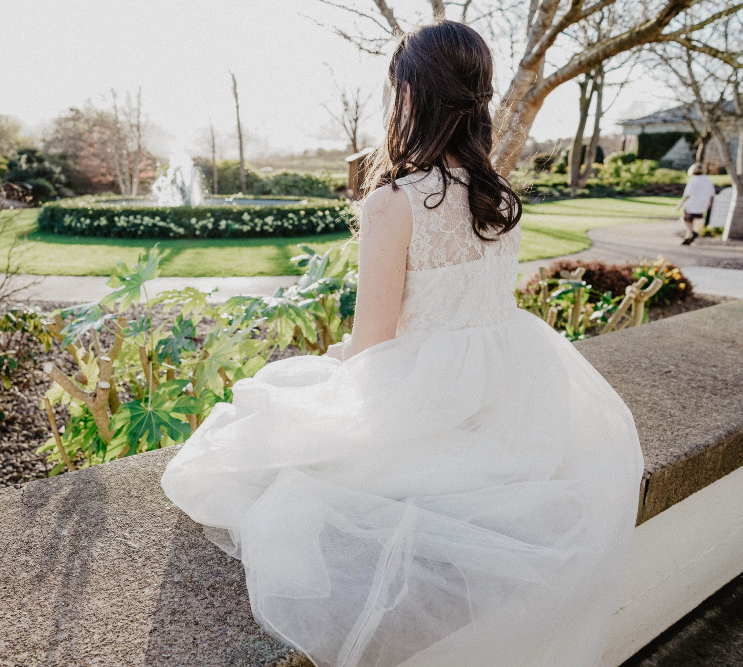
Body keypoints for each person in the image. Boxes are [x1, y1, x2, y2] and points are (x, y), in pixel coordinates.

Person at [161, 19, 644, 667]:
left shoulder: (395, 202)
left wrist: (337, 364)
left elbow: (373, 342)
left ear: (410, 96)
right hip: (511, 385)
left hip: (430, 393)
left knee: (271, 423)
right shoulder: (498, 200)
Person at [675, 162, 716, 244]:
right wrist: (710, 203)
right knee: (691, 220)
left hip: (692, 204)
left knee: (686, 219)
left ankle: (691, 232)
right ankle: (688, 237)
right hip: (703, 204)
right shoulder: (707, 179)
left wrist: (681, 204)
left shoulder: (693, 180)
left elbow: (688, 194)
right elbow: (712, 193)